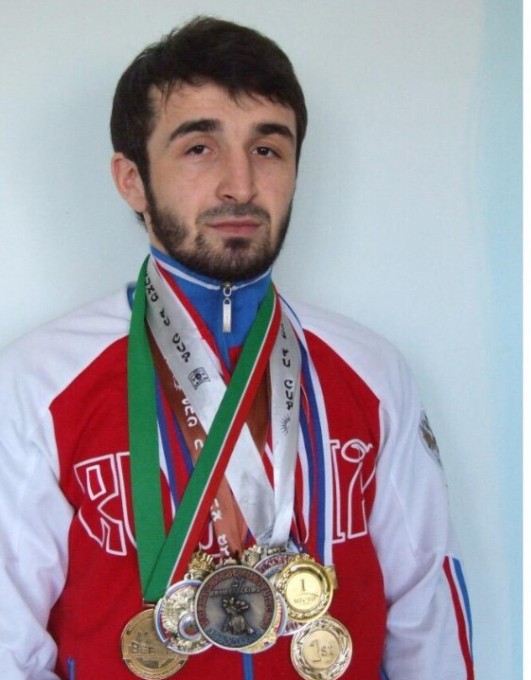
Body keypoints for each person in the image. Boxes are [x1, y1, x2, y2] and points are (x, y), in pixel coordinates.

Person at [0, 17, 473, 680]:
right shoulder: (37, 382)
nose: (241, 185)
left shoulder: (373, 371)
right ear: (132, 179)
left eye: (268, 149)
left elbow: (429, 612)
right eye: (200, 148)